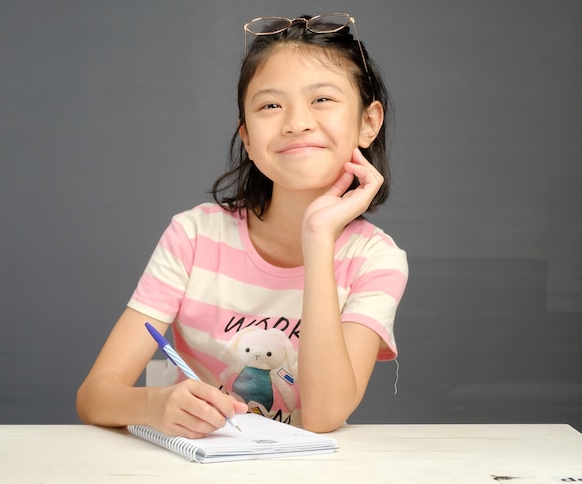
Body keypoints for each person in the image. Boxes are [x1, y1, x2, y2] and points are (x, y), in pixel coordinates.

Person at [76, 12, 408, 438]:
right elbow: (94, 397)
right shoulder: (194, 236)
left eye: (322, 99)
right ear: (248, 138)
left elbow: (326, 415)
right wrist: (154, 404)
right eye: (270, 105)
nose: (296, 122)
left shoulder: (376, 261)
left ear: (368, 122)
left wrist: (318, 239)